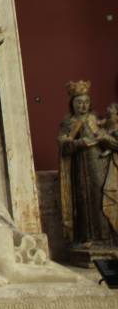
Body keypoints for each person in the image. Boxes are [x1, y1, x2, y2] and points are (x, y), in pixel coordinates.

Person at [58, 80, 118, 249]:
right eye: (79, 102)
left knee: (100, 199)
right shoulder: (68, 122)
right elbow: (63, 145)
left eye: (86, 102)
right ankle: (87, 237)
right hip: (80, 167)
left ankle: (106, 239)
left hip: (100, 166)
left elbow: (107, 138)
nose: (83, 106)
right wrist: (80, 143)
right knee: (84, 200)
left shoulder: (95, 120)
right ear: (72, 104)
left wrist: (104, 139)